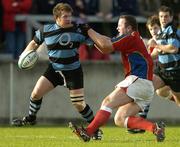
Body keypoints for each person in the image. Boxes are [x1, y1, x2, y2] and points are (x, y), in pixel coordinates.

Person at [12, 3, 102, 140]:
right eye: (65, 16)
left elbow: (96, 42)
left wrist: (98, 38)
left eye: (70, 16)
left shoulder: (78, 30)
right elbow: (34, 43)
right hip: (54, 69)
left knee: (78, 104)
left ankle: (95, 128)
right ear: (57, 18)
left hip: (73, 71)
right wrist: (24, 56)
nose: (69, 19)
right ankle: (31, 118)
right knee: (36, 93)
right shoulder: (46, 30)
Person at [69, 15, 165, 142]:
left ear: (129, 28)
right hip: (146, 87)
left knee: (107, 102)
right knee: (120, 118)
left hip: (139, 80)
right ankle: (155, 128)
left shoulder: (131, 37)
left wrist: (88, 30)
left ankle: (88, 132)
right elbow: (105, 46)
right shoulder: (132, 37)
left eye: (120, 25)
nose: (117, 27)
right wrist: (91, 37)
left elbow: (106, 45)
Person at [152, 6, 180, 106]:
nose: (164, 19)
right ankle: (141, 118)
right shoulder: (160, 32)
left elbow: (173, 49)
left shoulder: (171, 29)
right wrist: (145, 58)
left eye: (166, 16)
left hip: (175, 72)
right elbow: (158, 51)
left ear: (171, 18)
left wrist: (156, 45)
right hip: (162, 71)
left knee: (178, 99)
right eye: (161, 16)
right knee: (149, 89)